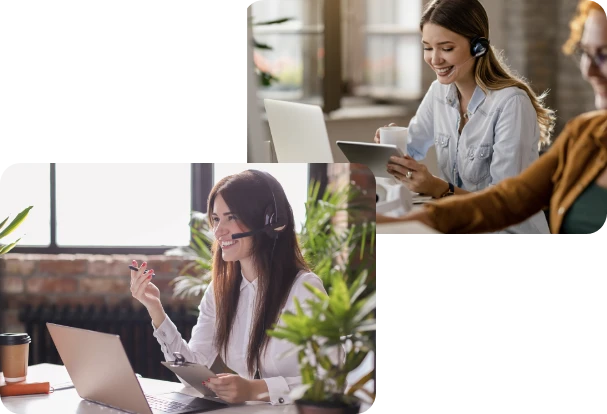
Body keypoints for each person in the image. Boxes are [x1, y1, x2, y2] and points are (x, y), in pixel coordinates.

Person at [377, 0, 607, 236]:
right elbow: (505, 201)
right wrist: (390, 148)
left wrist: (437, 187)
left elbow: (506, 204)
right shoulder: (585, 133)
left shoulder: (511, 103)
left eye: (446, 48)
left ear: (478, 47)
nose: (435, 59)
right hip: (460, 229)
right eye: (427, 47)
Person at [129, 169, 328, 405]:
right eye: (216, 218)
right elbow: (193, 368)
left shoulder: (304, 289)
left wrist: (256, 390)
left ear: (270, 221)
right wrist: (155, 310)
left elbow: (328, 381)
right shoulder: (220, 290)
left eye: (231, 217)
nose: (218, 230)